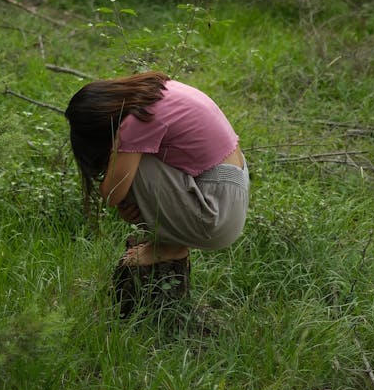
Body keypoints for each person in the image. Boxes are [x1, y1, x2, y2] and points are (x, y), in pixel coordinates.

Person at [65, 71, 249, 267]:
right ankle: (169, 241)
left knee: (135, 165)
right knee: (130, 163)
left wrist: (122, 197)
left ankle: (172, 248)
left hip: (215, 218)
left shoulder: (137, 121)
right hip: (229, 196)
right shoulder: (156, 89)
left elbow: (111, 193)